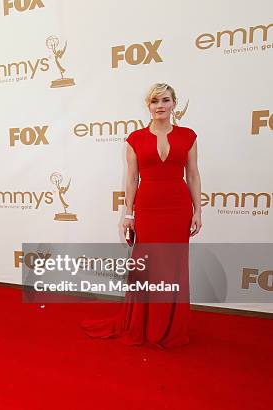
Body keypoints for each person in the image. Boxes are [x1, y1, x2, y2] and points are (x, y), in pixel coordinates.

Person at [81, 83, 202, 348]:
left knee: (173, 267)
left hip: (178, 209)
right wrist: (128, 214)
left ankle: (169, 326)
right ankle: (142, 323)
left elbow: (192, 175)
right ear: (148, 106)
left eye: (165, 100)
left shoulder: (188, 136)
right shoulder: (135, 139)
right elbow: (132, 179)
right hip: (147, 209)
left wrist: (198, 211)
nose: (160, 106)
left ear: (174, 104)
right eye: (155, 101)